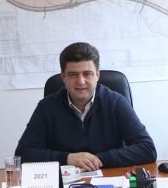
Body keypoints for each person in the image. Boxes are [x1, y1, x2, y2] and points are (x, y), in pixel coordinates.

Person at [15, 42, 156, 170]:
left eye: (87, 74)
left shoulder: (116, 103)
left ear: (97, 75)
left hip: (109, 180)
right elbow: (23, 154)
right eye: (73, 74)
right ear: (63, 77)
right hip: (63, 182)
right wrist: (67, 158)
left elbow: (147, 149)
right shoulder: (46, 107)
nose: (81, 81)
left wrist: (97, 160)